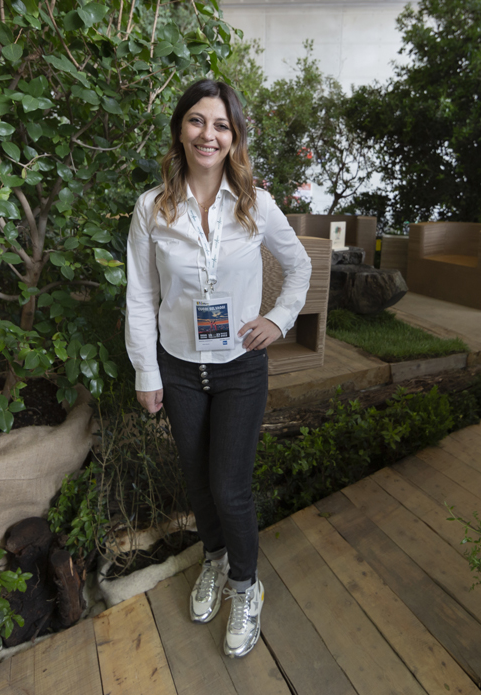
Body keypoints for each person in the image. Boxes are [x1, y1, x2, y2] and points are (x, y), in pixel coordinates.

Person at [124, 79, 312, 657]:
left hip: (238, 369)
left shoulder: (256, 202)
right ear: (181, 129)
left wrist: (278, 319)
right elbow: (138, 294)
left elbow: (299, 266)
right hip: (178, 370)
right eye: (198, 122)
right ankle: (213, 559)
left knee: (229, 489)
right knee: (197, 483)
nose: (209, 134)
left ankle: (245, 586)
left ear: (234, 139)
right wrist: (146, 372)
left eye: (222, 125)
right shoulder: (152, 208)